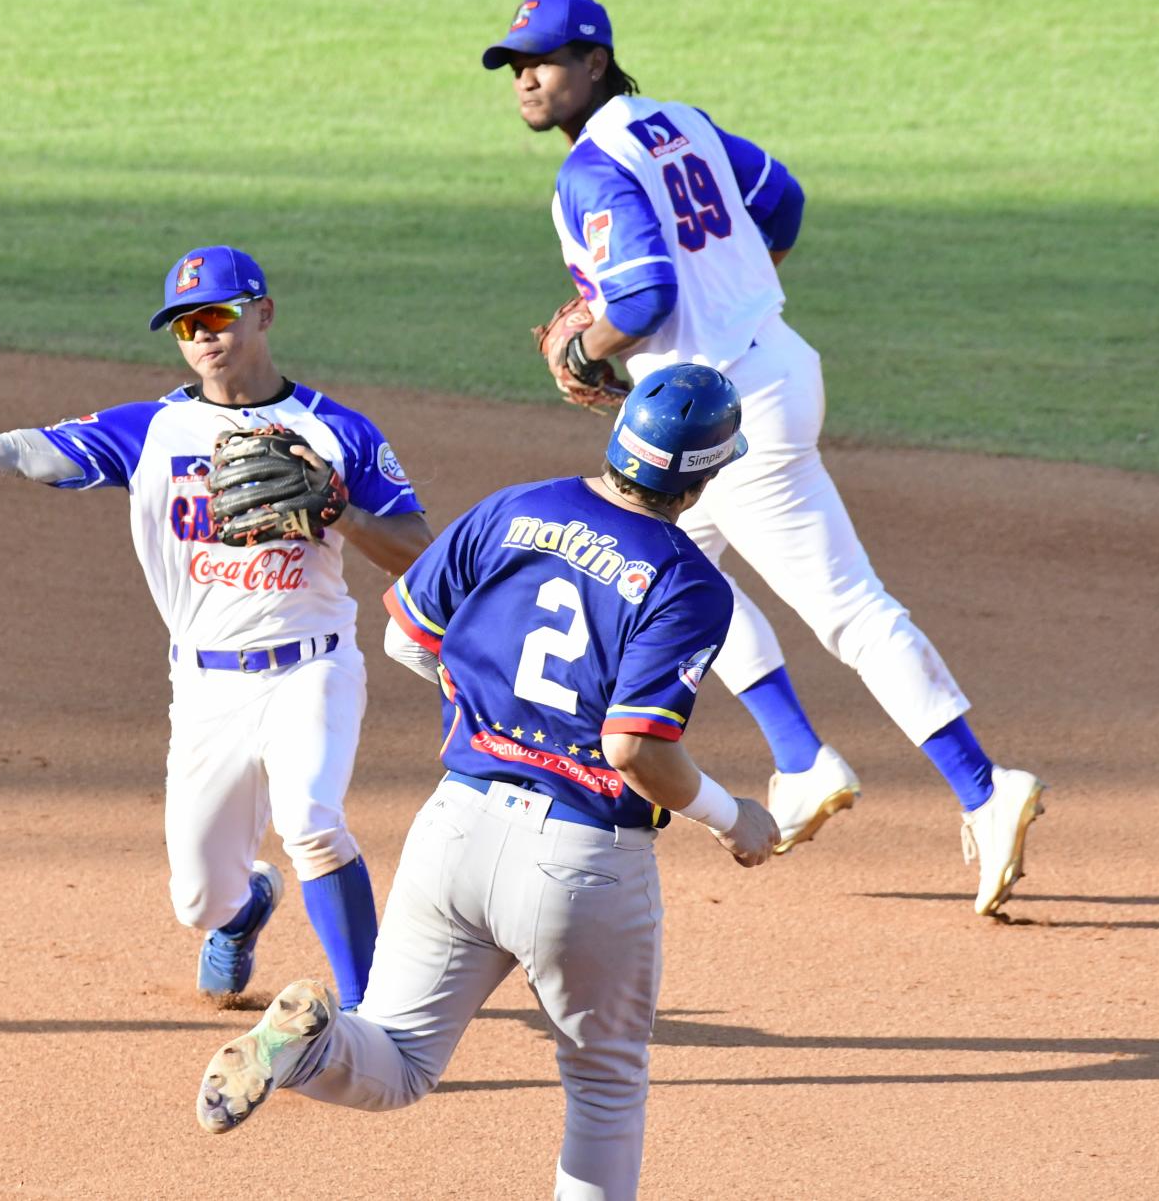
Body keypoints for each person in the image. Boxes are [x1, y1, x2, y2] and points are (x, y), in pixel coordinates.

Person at [480, 0, 1045, 915]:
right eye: (514, 64)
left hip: (728, 414)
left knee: (849, 608)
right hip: (759, 375)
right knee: (681, 569)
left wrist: (581, 349)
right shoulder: (679, 122)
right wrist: (732, 286)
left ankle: (987, 789)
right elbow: (781, 200)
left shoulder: (588, 169)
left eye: (543, 59)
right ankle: (799, 758)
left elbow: (647, 294)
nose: (526, 78)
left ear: (594, 62)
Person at [0, 245, 433, 1006]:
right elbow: (7, 452)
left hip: (312, 668)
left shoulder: (338, 431)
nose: (204, 335)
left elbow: (421, 553)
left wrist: (341, 511)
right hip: (206, 687)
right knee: (200, 901)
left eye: (219, 315)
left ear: (263, 312)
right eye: (186, 324)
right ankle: (247, 908)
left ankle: (374, 1017)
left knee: (312, 821)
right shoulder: (150, 431)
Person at [193, 365, 778, 1200]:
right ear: (710, 472)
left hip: (457, 828)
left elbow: (406, 638)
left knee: (394, 1059)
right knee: (605, 1087)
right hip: (583, 861)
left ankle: (306, 1049)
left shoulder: (515, 507)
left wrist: (492, 708)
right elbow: (633, 747)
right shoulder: (688, 580)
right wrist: (732, 818)